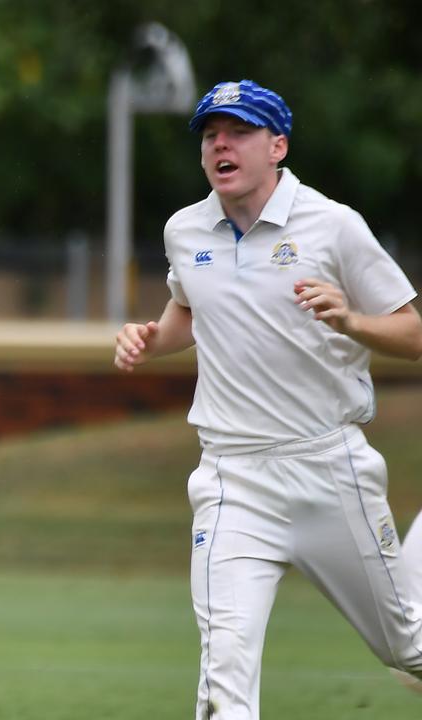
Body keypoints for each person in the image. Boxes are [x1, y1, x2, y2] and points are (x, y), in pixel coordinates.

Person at [113, 79, 422, 718]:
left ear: (277, 145)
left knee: (409, 647)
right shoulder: (185, 229)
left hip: (328, 469)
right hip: (232, 477)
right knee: (224, 677)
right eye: (210, 134)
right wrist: (149, 338)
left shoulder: (334, 226)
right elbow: (188, 313)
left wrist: (353, 322)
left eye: (240, 131)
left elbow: (414, 332)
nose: (220, 144)